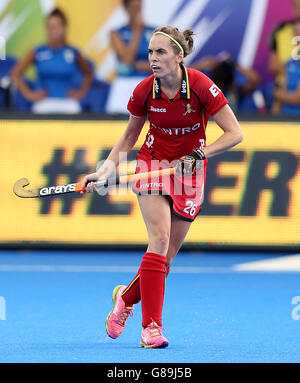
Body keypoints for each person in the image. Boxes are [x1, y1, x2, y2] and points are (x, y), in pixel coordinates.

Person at [81, 26, 243, 348]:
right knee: (160, 239)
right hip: (152, 166)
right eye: (150, 53)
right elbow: (128, 138)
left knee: (163, 261)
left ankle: (125, 299)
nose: (153, 59)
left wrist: (199, 153)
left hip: (189, 173)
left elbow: (234, 133)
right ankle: (151, 328)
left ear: (179, 57)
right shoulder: (144, 90)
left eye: (160, 53)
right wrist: (103, 172)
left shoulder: (199, 86)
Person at [11, 8, 92, 114]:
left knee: (75, 113)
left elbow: (88, 74)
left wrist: (80, 93)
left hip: (68, 102)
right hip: (43, 102)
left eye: (55, 27)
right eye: (49, 27)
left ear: (64, 28)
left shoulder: (73, 51)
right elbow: (15, 73)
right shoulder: (37, 51)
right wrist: (30, 94)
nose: (52, 30)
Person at [106, 0, 154, 113]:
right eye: (133, 8)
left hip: (149, 82)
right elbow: (126, 60)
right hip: (124, 83)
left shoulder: (155, 32)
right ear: (126, 8)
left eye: (139, 7)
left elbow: (164, 65)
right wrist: (137, 30)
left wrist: (133, 65)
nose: (137, 12)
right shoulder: (116, 33)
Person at [191, 53, 261, 113]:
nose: (221, 87)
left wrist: (234, 64)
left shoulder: (236, 91)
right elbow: (184, 80)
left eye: (223, 83)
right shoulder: (208, 92)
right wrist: (202, 64)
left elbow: (255, 80)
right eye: (219, 83)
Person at [272, 19, 300, 115]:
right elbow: (278, 100)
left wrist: (277, 94)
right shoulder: (289, 64)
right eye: (295, 33)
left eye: (299, 33)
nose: (296, 37)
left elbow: (297, 99)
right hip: (286, 121)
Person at [268, 0, 300, 84]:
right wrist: (292, 73)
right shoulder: (281, 29)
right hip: (285, 86)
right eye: (295, 5)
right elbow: (273, 65)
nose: (298, 8)